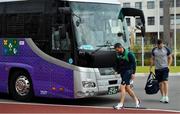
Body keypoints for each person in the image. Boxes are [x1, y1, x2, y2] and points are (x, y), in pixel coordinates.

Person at [113, 43, 140, 109]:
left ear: (120, 47)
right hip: (122, 72)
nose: (117, 51)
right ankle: (137, 101)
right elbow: (116, 63)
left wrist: (133, 73)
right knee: (127, 88)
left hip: (128, 71)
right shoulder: (117, 54)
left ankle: (121, 103)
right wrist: (116, 71)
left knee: (122, 86)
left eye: (117, 50)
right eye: (116, 50)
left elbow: (134, 64)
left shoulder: (129, 54)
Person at [150, 39, 172, 103]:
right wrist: (150, 67)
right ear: (157, 45)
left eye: (161, 44)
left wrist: (169, 66)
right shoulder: (154, 50)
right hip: (157, 69)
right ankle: (163, 96)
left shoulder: (166, 49)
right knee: (160, 84)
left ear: (162, 43)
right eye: (159, 45)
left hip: (165, 68)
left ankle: (166, 97)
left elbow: (170, 57)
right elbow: (152, 58)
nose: (161, 46)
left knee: (165, 82)